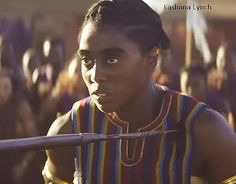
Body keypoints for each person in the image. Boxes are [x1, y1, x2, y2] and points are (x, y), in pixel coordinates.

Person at [43, 0, 236, 184]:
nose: (96, 74)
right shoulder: (67, 132)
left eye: (111, 59)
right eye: (87, 61)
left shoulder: (205, 130)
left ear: (151, 61)